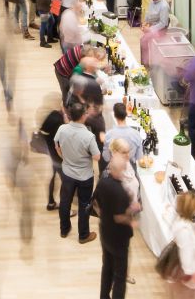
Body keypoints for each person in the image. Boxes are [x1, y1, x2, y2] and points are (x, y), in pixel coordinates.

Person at [55, 98, 101, 243]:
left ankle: (64, 229)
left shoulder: (62, 129)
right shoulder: (88, 136)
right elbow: (97, 157)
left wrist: (65, 159)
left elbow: (57, 146)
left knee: (65, 202)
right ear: (83, 116)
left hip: (67, 173)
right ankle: (83, 235)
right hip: (84, 176)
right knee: (84, 205)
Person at [94, 151, 137, 299]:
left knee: (107, 268)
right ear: (119, 170)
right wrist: (132, 218)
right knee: (120, 276)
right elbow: (119, 217)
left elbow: (96, 204)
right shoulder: (120, 192)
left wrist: (105, 216)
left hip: (105, 233)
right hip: (119, 239)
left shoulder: (102, 182)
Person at [167, 190, 195, 296]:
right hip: (186, 284)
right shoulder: (185, 231)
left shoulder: (179, 223)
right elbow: (186, 263)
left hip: (181, 280)